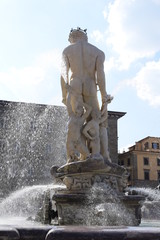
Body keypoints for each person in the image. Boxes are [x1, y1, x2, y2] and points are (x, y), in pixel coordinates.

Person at [60, 27, 111, 162]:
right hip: (90, 85)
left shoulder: (67, 50)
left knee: (76, 120)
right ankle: (102, 155)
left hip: (74, 84)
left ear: (72, 38)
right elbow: (100, 75)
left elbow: (63, 73)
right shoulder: (97, 52)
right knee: (98, 121)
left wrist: (64, 95)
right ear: (85, 37)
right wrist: (104, 95)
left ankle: (79, 156)